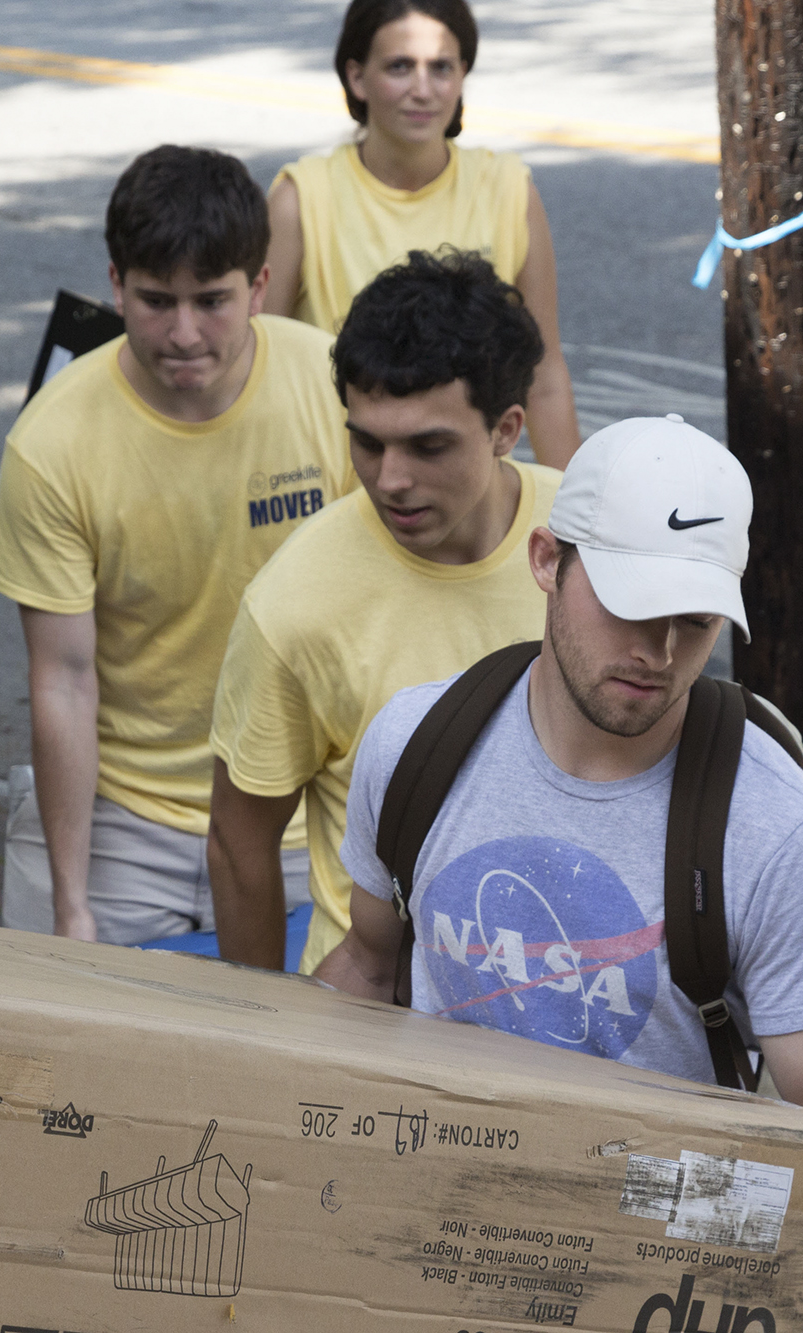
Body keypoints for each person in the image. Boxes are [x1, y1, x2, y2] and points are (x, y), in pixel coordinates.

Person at [324, 416, 803, 1249]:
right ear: (547, 560)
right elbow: (365, 971)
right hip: (413, 1248)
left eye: (694, 622)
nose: (657, 651)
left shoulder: (785, 838)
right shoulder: (417, 744)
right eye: (630, 603)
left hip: (643, 1271)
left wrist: (613, 1205)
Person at [0, 145, 354, 946]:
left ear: (260, 286)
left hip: (297, 804)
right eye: (156, 301)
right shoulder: (53, 441)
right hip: (123, 814)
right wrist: (72, 901)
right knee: (51, 1040)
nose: (184, 332)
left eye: (213, 301)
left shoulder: (334, 388)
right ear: (116, 284)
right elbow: (64, 680)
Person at [209, 248, 559, 975]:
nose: (390, 479)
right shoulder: (295, 601)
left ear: (506, 428)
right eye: (366, 442)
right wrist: (264, 1029)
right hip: (375, 1016)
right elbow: (240, 843)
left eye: (428, 446)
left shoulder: (589, 541)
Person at [264, 0, 582, 468]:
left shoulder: (509, 191)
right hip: (340, 497)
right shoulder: (300, 199)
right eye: (399, 67)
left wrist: (578, 527)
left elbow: (544, 375)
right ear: (356, 77)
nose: (423, 89)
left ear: (462, 75)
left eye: (441, 68)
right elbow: (257, 372)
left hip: (474, 510)